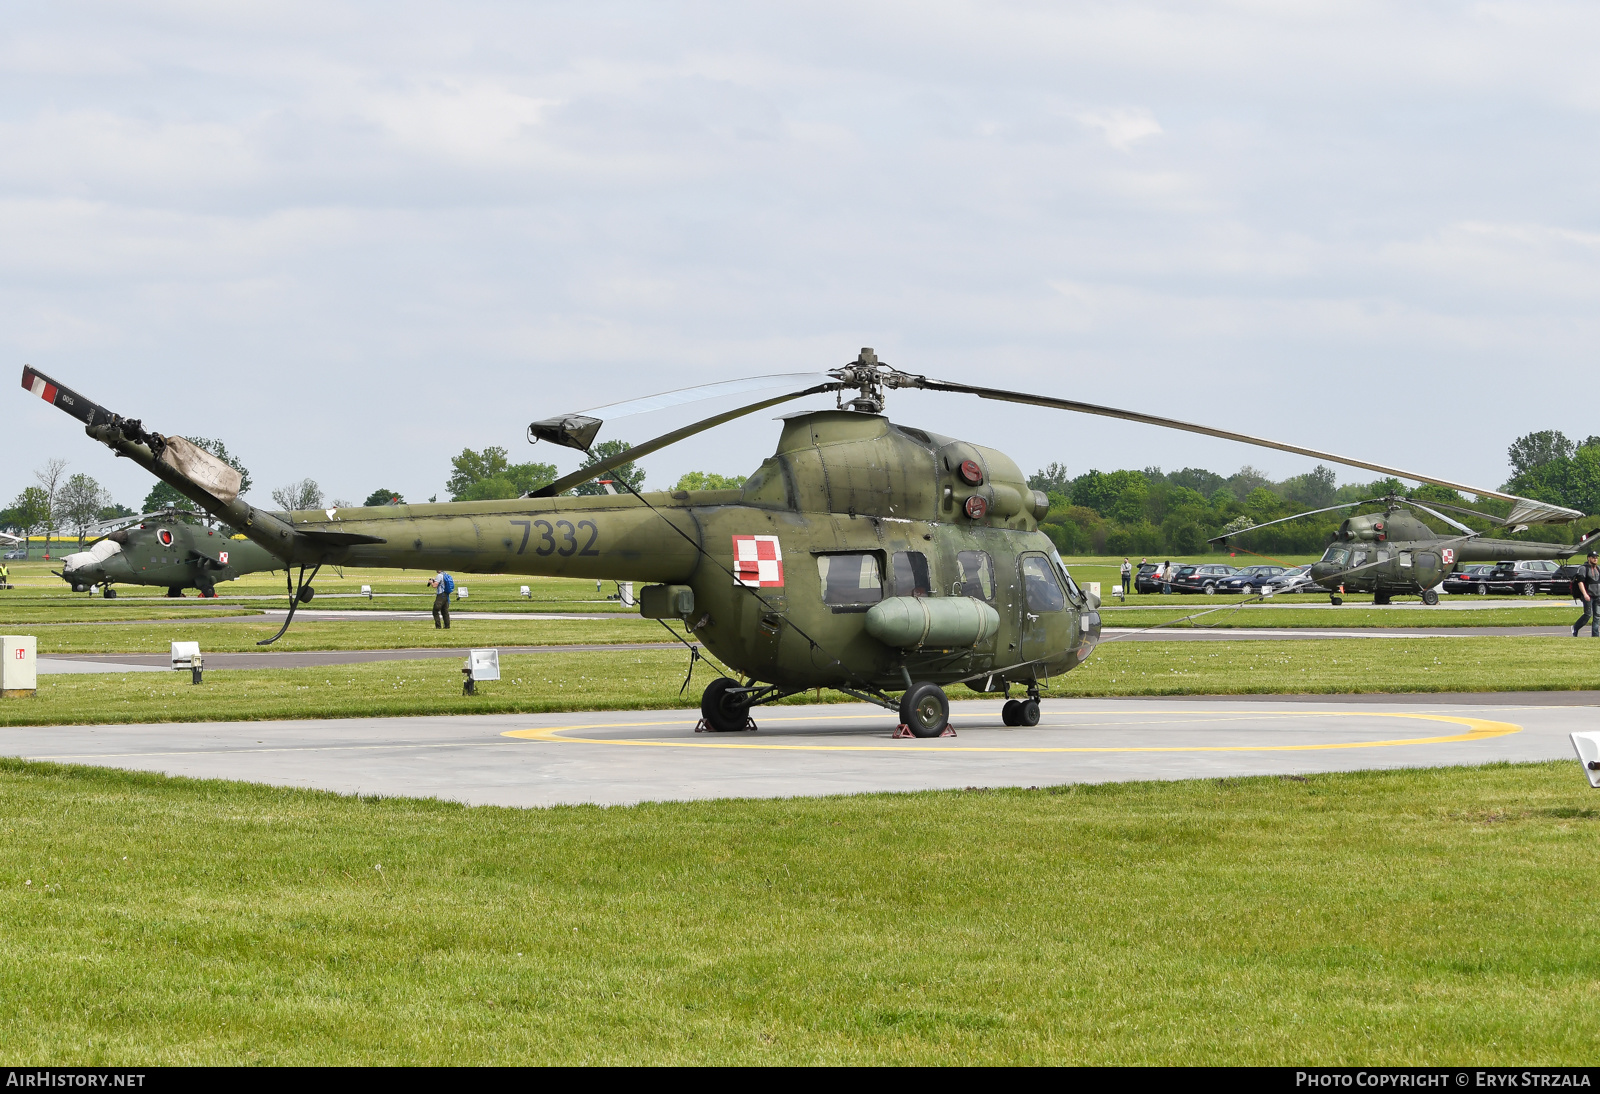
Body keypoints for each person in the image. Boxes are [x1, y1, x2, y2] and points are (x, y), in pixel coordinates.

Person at [1574, 551, 1600, 637]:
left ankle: (1595, 635)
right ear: (1588, 558)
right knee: (1588, 614)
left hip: (1597, 595)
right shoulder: (1583, 568)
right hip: (1588, 595)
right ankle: (1575, 627)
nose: (1595, 559)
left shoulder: (1598, 569)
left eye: (1596, 557)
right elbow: (1580, 582)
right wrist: (1585, 594)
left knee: (1597, 616)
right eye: (1593, 557)